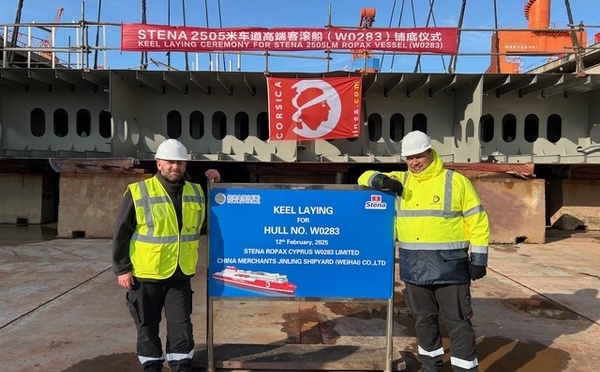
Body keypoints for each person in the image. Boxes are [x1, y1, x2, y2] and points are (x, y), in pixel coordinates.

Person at [358, 130, 490, 372]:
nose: (414, 163)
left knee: (458, 322)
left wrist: (479, 258)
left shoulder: (456, 181)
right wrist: (382, 182)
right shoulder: (401, 181)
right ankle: (431, 367)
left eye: (418, 156)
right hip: (414, 267)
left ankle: (465, 369)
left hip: (451, 268)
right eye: (409, 158)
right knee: (423, 320)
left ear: (430, 153)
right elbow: (364, 176)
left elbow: (478, 220)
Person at [112, 139, 221, 372]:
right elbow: (121, 233)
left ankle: (181, 364)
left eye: (180, 163)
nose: (176, 167)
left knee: (181, 324)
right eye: (170, 162)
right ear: (159, 163)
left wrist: (215, 181)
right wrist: (122, 269)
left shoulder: (196, 190)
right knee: (147, 324)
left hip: (179, 273)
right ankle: (151, 365)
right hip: (145, 273)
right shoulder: (139, 192)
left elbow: (216, 211)